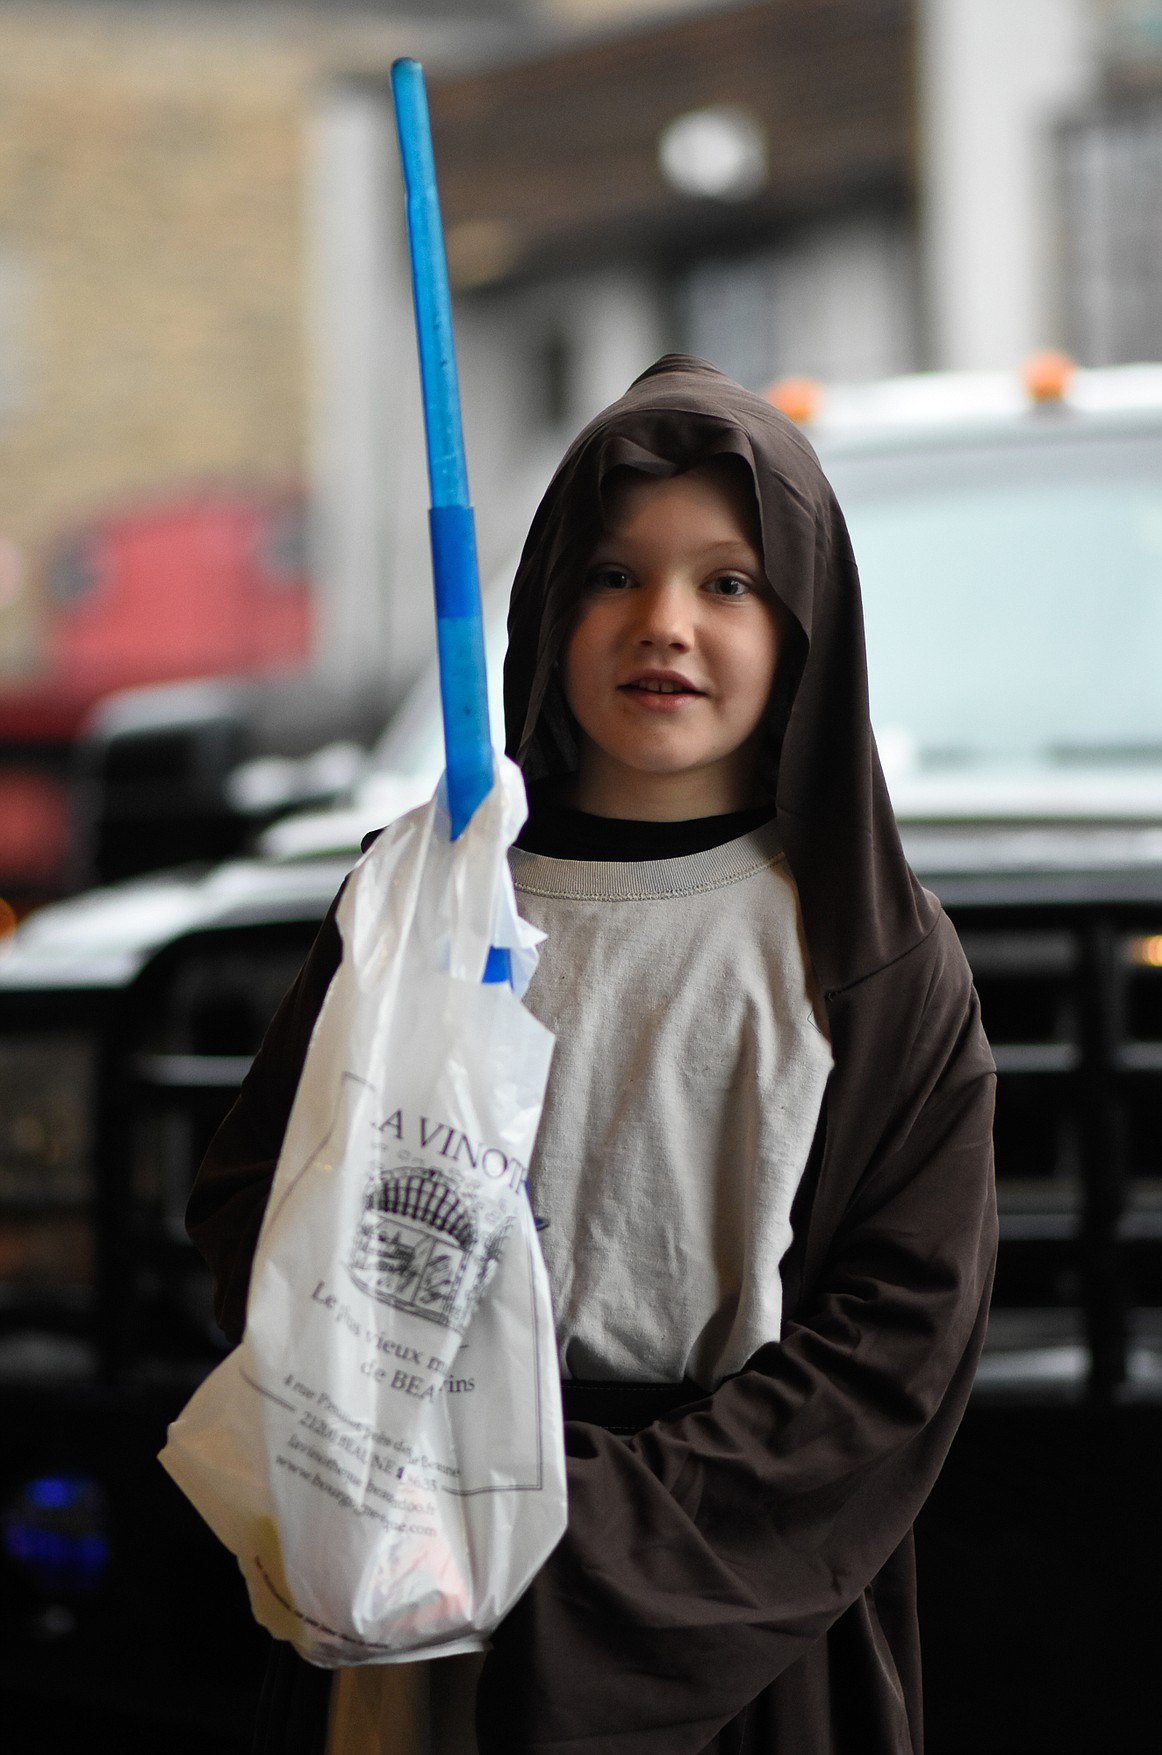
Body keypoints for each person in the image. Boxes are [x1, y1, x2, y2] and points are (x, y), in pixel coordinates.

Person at [188, 355, 997, 1755]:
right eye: (613, 576)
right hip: (413, 1564)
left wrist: (569, 1522)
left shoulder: (867, 954)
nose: (664, 623)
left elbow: (892, 1345)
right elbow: (263, 1201)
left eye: (726, 583)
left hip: (728, 1613)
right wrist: (412, 1459)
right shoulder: (425, 899)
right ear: (547, 608)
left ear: (807, 620)